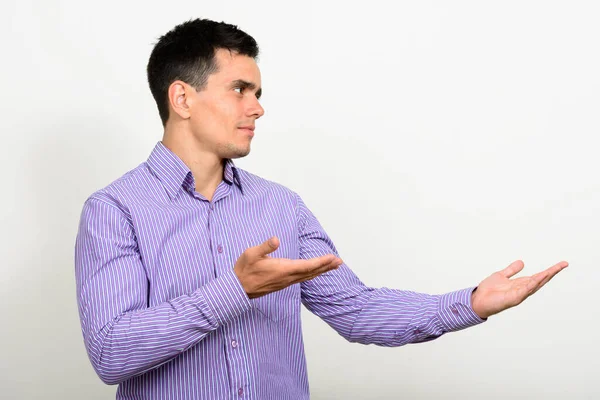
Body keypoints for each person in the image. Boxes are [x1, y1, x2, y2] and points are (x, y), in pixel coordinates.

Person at [74, 18, 568, 399]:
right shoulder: (114, 211)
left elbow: (355, 309)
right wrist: (235, 289)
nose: (258, 108)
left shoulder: (280, 207)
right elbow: (112, 352)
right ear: (182, 97)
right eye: (239, 90)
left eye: (259, 93)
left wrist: (469, 303)